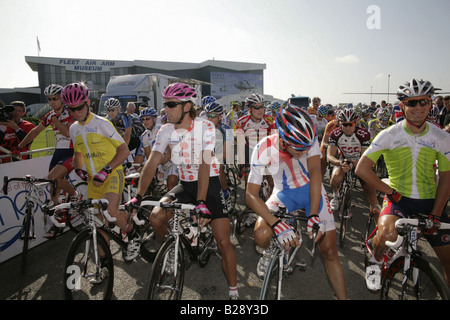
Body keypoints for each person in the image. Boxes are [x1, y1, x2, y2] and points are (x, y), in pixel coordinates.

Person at [126, 82, 239, 299]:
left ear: (187, 107)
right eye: (166, 104)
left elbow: (206, 164)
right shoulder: (165, 129)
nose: (165, 109)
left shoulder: (205, 126)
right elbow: (151, 162)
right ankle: (175, 249)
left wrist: (201, 201)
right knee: (157, 217)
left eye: (171, 104)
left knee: (224, 242)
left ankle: (234, 290)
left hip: (210, 183)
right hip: (186, 184)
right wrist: (138, 197)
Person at [355, 79, 450, 290]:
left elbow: (446, 177)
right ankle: (376, 260)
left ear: (430, 104)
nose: (418, 108)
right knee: (386, 236)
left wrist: (437, 212)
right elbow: (361, 169)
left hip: (431, 202)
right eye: (412, 103)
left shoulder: (441, 137)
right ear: (402, 106)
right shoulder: (390, 134)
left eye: (423, 102)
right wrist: (390, 192)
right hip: (399, 200)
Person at [246, 105, 347, 300]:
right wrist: (276, 224)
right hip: (283, 193)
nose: (305, 151)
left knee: (330, 251)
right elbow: (250, 195)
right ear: (283, 139)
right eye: (299, 148)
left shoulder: (308, 139)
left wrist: (314, 214)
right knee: (260, 235)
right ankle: (272, 250)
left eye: (308, 147)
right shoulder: (263, 148)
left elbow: (316, 173)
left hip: (311, 191)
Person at [63, 82, 136, 264]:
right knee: (98, 222)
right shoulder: (73, 129)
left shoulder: (102, 124)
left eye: (80, 107)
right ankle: (103, 264)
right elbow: (78, 155)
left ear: (88, 103)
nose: (77, 112)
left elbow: (124, 151)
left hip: (112, 173)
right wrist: (79, 171)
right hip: (93, 180)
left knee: (110, 211)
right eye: (72, 109)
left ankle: (133, 235)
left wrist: (106, 170)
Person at [17, 84, 79, 237]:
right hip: (59, 152)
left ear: (62, 98)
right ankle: (56, 224)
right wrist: (20, 146)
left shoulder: (70, 112)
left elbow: (68, 133)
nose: (52, 102)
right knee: (53, 191)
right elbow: (36, 131)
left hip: (72, 151)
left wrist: (56, 121)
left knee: (53, 177)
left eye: (55, 99)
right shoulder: (50, 115)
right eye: (49, 99)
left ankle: (75, 194)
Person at [327, 107, 380, 215]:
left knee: (370, 190)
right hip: (343, 160)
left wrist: (354, 164)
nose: (347, 127)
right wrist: (340, 163)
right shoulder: (335, 134)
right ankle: (336, 195)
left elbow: (365, 156)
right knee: (335, 177)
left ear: (355, 123)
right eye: (344, 124)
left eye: (350, 124)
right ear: (340, 123)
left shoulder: (363, 134)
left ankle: (376, 216)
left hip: (359, 160)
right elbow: (329, 155)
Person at [139, 107, 178, 192]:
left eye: (147, 118)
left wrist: (160, 163)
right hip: (159, 162)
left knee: (170, 186)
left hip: (172, 160)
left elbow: (170, 152)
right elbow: (149, 156)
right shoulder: (144, 136)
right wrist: (156, 166)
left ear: (155, 119)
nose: (145, 121)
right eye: (143, 119)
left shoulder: (162, 129)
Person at [204, 101, 234, 210]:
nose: (209, 119)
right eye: (208, 116)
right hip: (208, 155)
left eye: (213, 116)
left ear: (220, 117)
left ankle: (226, 194)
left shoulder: (227, 130)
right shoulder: (204, 128)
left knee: (219, 167)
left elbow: (226, 154)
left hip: (221, 155)